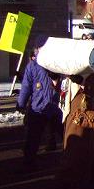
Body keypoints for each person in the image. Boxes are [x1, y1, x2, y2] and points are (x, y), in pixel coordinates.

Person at [16, 36, 63, 168]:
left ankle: (72, 159)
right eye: (41, 48)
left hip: (55, 106)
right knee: (33, 136)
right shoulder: (32, 66)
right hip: (39, 106)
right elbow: (26, 87)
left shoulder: (56, 63)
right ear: (37, 49)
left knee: (66, 133)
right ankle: (29, 162)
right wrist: (21, 103)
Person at [57, 74, 94, 188]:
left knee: (78, 143)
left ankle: (75, 177)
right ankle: (74, 175)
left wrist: (80, 80)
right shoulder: (70, 75)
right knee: (75, 142)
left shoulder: (86, 75)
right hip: (75, 102)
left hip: (81, 104)